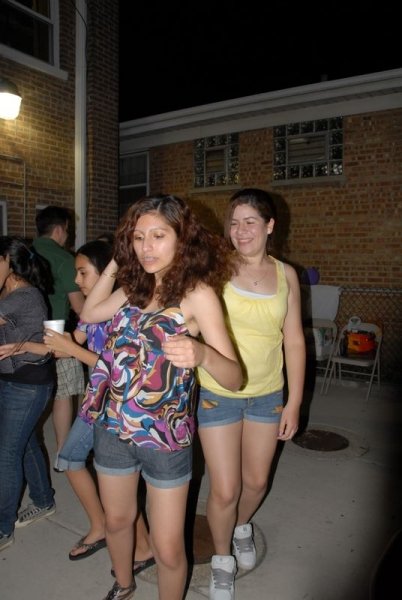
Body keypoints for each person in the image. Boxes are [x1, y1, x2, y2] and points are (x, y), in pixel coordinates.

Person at [79, 194, 243, 600]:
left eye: (158, 236)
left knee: (168, 548)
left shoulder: (197, 294)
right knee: (117, 522)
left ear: (181, 238)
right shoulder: (134, 287)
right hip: (113, 427)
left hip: (165, 437)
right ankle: (124, 584)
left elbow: (235, 378)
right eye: (138, 237)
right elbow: (90, 314)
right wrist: (117, 260)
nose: (146, 247)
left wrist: (203, 355)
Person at [165, 188, 306, 600]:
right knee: (225, 489)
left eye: (250, 222)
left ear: (270, 226)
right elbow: (187, 316)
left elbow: (294, 340)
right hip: (218, 393)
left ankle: (241, 525)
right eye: (234, 222)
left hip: (268, 393)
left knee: (256, 482)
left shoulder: (286, 275)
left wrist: (294, 401)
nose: (240, 230)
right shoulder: (215, 269)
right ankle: (222, 556)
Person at [43, 240, 154, 571]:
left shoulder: (124, 311)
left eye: (83, 272)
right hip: (97, 401)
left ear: (109, 273)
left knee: (80, 463)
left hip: (115, 405)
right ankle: (116, 533)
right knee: (80, 464)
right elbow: (70, 344)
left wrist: (71, 349)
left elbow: (117, 368)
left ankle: (119, 534)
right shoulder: (92, 312)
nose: (76, 280)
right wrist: (28, 345)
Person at [0, 237, 56, 551]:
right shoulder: (10, 292)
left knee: (6, 453)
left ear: (7, 263)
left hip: (27, 385)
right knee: (26, 443)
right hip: (14, 380)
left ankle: (2, 528)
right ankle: (44, 500)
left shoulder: (24, 296)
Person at [33, 206, 86, 470]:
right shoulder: (65, 259)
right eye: (67, 229)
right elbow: (80, 308)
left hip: (24, 332)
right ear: (59, 229)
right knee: (63, 392)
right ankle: (62, 454)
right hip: (55, 333)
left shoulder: (24, 251)